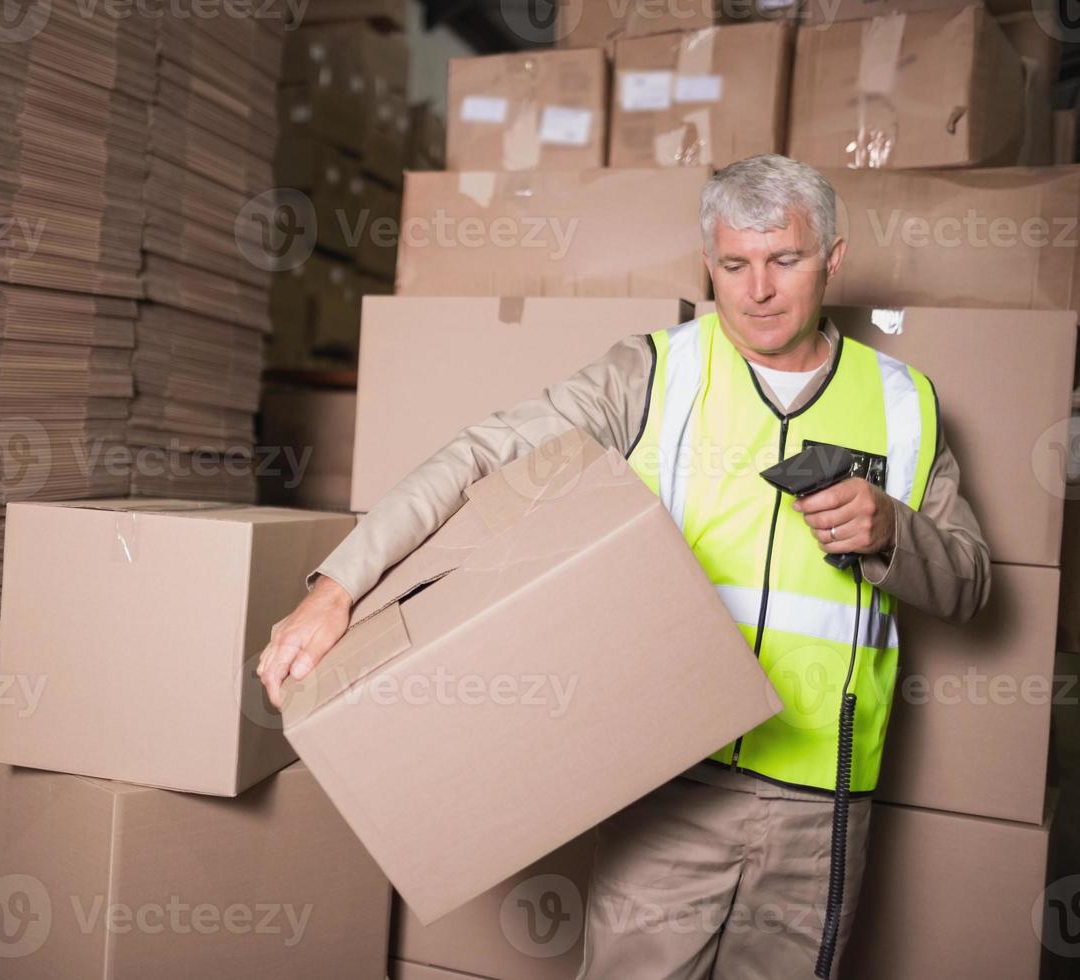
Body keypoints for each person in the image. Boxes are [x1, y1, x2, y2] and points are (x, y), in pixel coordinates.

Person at [255, 154, 990, 978]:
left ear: (833, 258)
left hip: (824, 800)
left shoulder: (904, 402)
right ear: (707, 265)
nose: (758, 291)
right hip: (672, 783)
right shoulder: (653, 373)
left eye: (785, 260)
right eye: (733, 265)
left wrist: (893, 529)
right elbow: (479, 455)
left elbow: (970, 585)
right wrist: (338, 586)